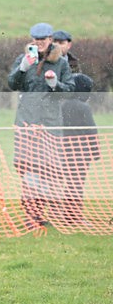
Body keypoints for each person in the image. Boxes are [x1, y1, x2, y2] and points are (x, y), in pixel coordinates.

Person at [7, 22, 75, 229]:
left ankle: (41, 213)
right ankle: (31, 215)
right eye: (36, 40)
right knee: (29, 172)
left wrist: (56, 85)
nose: (40, 43)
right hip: (27, 123)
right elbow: (12, 84)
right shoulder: (24, 58)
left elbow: (70, 91)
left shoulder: (61, 63)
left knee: (47, 172)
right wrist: (22, 69)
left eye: (43, 40)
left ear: (50, 39)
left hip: (50, 125)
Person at [58, 73, 100, 225]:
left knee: (69, 183)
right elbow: (91, 130)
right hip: (81, 153)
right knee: (76, 185)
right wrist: (96, 152)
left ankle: (67, 213)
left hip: (63, 151)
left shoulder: (62, 105)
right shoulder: (84, 107)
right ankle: (73, 216)